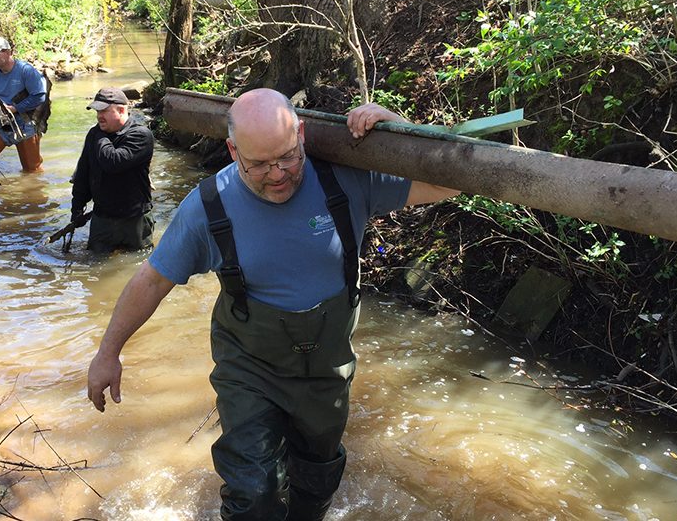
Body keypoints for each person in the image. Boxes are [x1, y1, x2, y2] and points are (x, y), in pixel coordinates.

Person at [86, 88, 460, 520]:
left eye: (287, 157)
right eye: (259, 164)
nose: (277, 173)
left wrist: (400, 130)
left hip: (327, 368)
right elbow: (151, 280)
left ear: (301, 134)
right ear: (231, 151)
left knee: (316, 479)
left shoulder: (346, 178)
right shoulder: (209, 207)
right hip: (250, 369)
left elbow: (446, 180)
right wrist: (108, 352)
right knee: (255, 492)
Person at [70, 87, 155, 253]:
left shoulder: (141, 135)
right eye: (97, 111)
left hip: (134, 219)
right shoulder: (95, 135)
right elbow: (84, 173)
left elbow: (113, 162)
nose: (99, 116)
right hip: (103, 218)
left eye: (104, 111)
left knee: (136, 264)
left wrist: (99, 135)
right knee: (95, 267)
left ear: (122, 110)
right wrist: (77, 208)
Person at [0, 36, 48, 175]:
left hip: (25, 123)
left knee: (32, 169)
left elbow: (40, 96)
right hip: (1, 122)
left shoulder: (26, 70)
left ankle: (34, 194)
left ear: (8, 52)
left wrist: (15, 108)